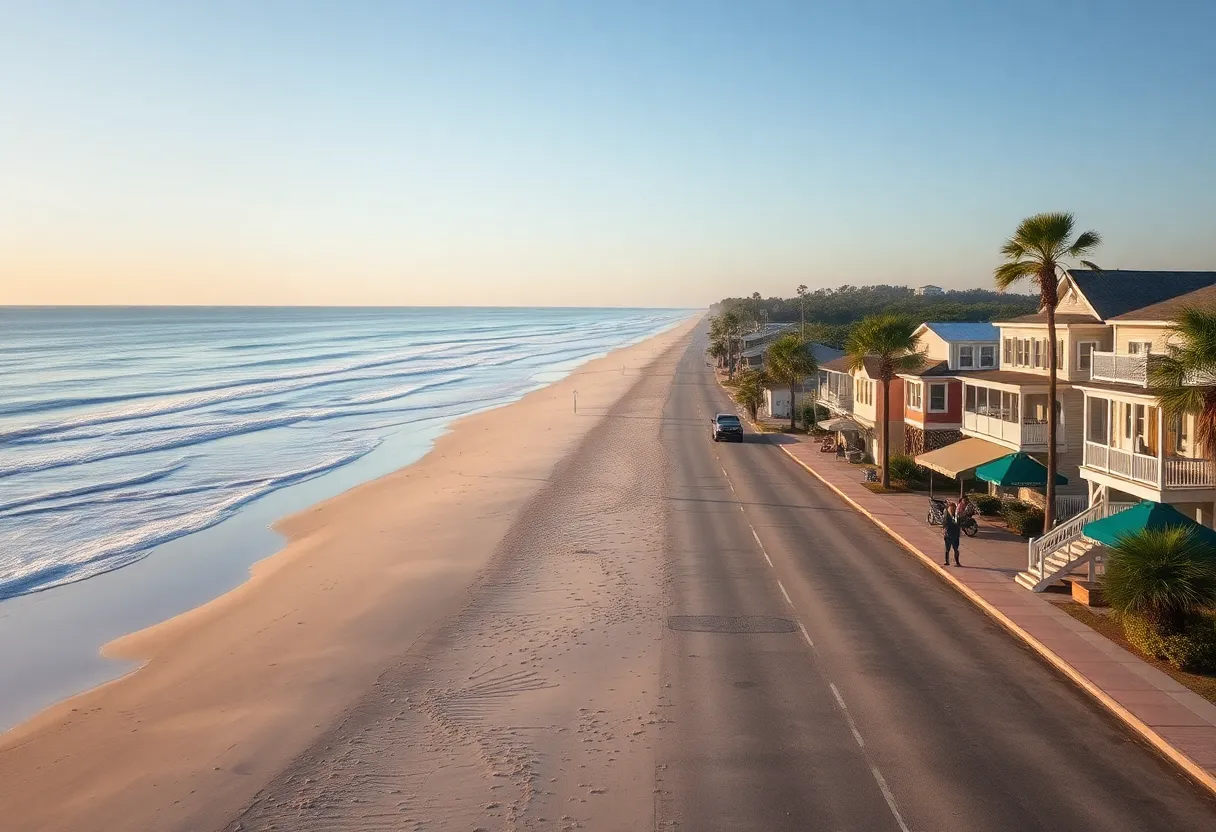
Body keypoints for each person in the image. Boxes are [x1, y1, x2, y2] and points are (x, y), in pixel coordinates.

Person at [942, 501, 962, 567]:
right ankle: (947, 561)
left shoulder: (956, 515)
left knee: (955, 548)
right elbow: (944, 523)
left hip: (955, 534)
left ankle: (957, 562)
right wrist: (944, 530)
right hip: (948, 533)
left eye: (953, 508)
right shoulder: (947, 514)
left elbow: (958, 523)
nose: (952, 509)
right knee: (947, 548)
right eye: (951, 508)